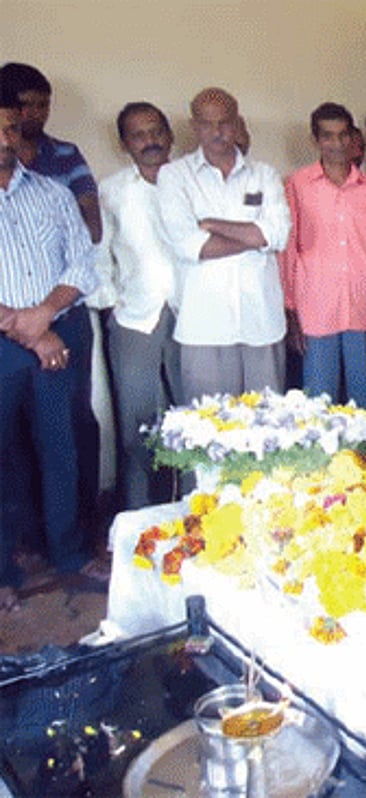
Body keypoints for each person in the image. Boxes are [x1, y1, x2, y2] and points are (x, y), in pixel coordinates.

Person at [0, 96, 99, 612]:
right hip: (18, 344)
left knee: (60, 452)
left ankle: (69, 556)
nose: (3, 142)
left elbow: (84, 263)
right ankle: (2, 575)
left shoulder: (52, 193)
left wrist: (43, 316)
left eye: (11, 130)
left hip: (53, 338)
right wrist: (32, 330)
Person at [157, 87, 291, 401]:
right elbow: (189, 245)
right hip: (205, 323)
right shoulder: (174, 176)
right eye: (206, 124)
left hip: (261, 321)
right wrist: (256, 238)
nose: (217, 132)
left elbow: (278, 234)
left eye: (225, 122)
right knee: (208, 433)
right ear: (194, 126)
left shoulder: (264, 174)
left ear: (238, 122)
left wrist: (213, 224)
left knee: (269, 427)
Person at [90, 102, 183, 511]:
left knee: (197, 421)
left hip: (192, 317)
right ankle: (142, 518)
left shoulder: (192, 184)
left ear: (170, 134)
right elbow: (98, 255)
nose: (151, 141)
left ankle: (198, 511)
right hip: (134, 318)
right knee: (138, 428)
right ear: (124, 143)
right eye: (139, 134)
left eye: (157, 131)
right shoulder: (111, 192)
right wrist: (111, 307)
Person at [281, 103, 366, 410]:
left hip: (361, 303)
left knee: (363, 397)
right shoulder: (297, 185)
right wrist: (290, 312)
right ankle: (318, 458)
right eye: (328, 136)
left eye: (343, 135)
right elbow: (289, 251)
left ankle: (365, 456)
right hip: (315, 306)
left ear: (353, 137)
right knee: (318, 400)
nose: (337, 144)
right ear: (315, 140)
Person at [0, 62, 101, 242]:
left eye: (43, 105)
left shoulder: (67, 155)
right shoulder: (4, 161)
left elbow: (92, 230)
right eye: (26, 105)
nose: (36, 114)